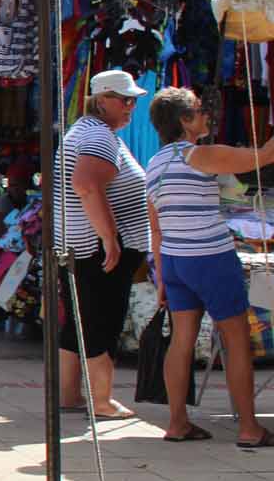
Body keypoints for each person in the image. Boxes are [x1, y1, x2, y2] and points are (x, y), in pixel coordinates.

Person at [144, 87, 274, 447]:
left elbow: (155, 226)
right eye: (200, 111)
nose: (206, 117)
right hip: (210, 256)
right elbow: (263, 156)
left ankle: (177, 423)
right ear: (184, 121)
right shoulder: (198, 155)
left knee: (182, 340)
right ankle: (249, 429)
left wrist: (160, 278)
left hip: (173, 259)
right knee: (235, 341)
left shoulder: (155, 163)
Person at [54, 69, 153, 420]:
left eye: (134, 101)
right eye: (125, 100)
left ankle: (69, 394)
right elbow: (87, 185)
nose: (131, 107)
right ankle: (102, 400)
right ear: (102, 100)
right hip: (95, 248)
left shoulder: (89, 132)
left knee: (80, 319)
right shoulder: (98, 137)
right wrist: (110, 238)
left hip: (80, 245)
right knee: (102, 321)